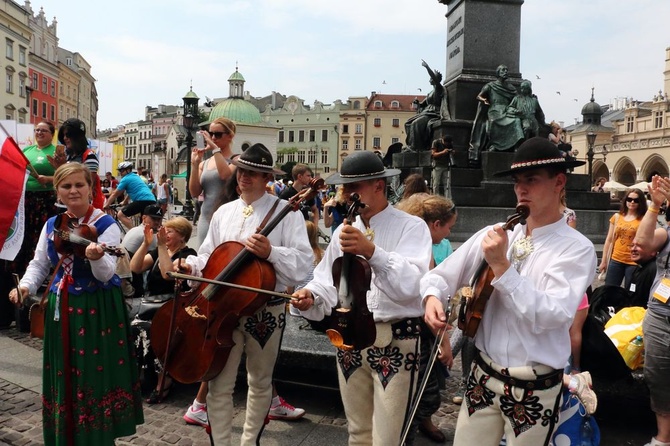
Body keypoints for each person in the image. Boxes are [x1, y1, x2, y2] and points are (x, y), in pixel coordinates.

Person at [422, 137, 596, 445]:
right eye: (517, 182)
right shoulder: (501, 233)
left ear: (559, 182)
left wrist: (503, 267)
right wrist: (432, 297)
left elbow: (552, 315)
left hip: (534, 385)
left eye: (531, 180)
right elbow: (440, 275)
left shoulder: (576, 248)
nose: (521, 189)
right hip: (483, 375)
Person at [291, 150, 433, 445]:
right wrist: (311, 295)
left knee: (387, 436)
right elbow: (326, 279)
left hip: (394, 338)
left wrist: (372, 252)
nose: (346, 194)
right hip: (349, 338)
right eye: (345, 187)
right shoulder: (347, 229)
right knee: (357, 433)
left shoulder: (411, 226)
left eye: (354, 187)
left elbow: (412, 285)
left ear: (378, 186)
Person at [178, 143, 313, 445]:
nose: (245, 177)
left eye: (253, 173)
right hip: (223, 306)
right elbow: (209, 255)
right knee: (218, 382)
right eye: (242, 171)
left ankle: (249, 441)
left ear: (267, 178)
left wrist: (272, 252)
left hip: (266, 307)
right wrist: (191, 268)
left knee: (260, 381)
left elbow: (304, 263)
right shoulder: (224, 212)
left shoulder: (286, 212)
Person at [8, 162, 144, 445]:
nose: (73, 191)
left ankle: (97, 436)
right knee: (64, 371)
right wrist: (25, 286)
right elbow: (39, 264)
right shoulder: (51, 225)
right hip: (62, 306)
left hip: (97, 308)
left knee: (94, 373)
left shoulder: (105, 225)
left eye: (79, 185)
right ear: (57, 190)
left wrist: (95, 257)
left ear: (90, 188)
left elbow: (107, 274)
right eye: (66, 186)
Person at [396, 192, 458, 444]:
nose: (449, 234)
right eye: (449, 227)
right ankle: (406, 434)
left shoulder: (415, 242)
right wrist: (444, 342)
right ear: (435, 224)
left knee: (422, 389)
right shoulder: (422, 252)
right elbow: (426, 309)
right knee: (425, 393)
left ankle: (419, 424)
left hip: (416, 330)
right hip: (416, 331)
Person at [128, 216, 196, 404]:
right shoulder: (161, 251)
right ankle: (140, 376)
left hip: (175, 307)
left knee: (153, 330)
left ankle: (163, 380)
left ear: (182, 236)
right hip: (152, 305)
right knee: (134, 326)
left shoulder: (189, 255)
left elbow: (169, 275)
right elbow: (135, 267)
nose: (164, 234)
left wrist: (159, 247)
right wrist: (146, 244)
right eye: (164, 231)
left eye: (169, 231)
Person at [0, 120, 58, 328]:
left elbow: (62, 175)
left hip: (44, 203)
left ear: (52, 134)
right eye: (37, 130)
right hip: (25, 203)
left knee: (38, 245)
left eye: (44, 130)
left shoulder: (55, 152)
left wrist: (48, 178)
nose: (39, 132)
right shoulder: (28, 150)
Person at [631, 175, 670, 446]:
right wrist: (654, 206)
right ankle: (663, 438)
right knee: (658, 376)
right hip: (660, 315)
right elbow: (642, 242)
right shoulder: (667, 231)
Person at [189, 117, 237, 245]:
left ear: (230, 136)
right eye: (210, 134)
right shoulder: (205, 163)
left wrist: (215, 149)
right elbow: (194, 192)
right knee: (204, 258)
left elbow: (225, 176)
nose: (213, 138)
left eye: (218, 134)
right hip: (206, 217)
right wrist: (195, 164)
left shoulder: (236, 159)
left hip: (228, 218)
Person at [468, 64, 524, 165]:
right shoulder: (490, 86)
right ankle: (495, 145)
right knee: (493, 121)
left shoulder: (511, 88)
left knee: (516, 121)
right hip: (494, 110)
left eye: (506, 70)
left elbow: (518, 99)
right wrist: (484, 100)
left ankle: (516, 146)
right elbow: (479, 96)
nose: (505, 71)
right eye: (503, 70)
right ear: (498, 73)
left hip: (507, 110)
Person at [50, 118, 106, 210]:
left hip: (82, 208)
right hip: (66, 204)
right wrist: (58, 167)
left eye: (68, 135)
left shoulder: (89, 156)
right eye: (63, 135)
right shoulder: (68, 155)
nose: (65, 138)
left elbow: (87, 184)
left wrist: (63, 167)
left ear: (77, 136)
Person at [599, 188, 647, 290]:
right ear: (625, 200)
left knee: (631, 292)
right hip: (616, 259)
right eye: (629, 199)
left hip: (633, 262)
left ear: (641, 202)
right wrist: (604, 261)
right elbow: (609, 240)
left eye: (636, 200)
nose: (632, 202)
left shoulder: (644, 219)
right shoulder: (617, 217)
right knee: (609, 290)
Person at [404, 59, 450, 152]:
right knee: (408, 123)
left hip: (434, 113)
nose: (430, 79)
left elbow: (434, 77)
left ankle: (416, 147)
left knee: (416, 124)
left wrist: (427, 67)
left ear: (434, 79)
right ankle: (411, 144)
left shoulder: (439, 89)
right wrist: (418, 103)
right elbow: (422, 104)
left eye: (431, 78)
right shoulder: (430, 93)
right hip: (426, 112)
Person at [121, 204, 164, 297]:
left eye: (159, 219)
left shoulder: (135, 229)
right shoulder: (148, 234)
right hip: (132, 279)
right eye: (153, 219)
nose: (157, 222)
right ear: (144, 218)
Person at [103, 161, 157, 230]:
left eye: (122, 170)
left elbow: (115, 194)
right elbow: (130, 192)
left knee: (120, 215)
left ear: (128, 170)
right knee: (144, 224)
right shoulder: (135, 176)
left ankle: (134, 233)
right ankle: (143, 236)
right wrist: (124, 202)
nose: (120, 173)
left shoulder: (125, 179)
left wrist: (106, 205)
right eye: (120, 171)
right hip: (151, 200)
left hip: (142, 200)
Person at [279, 163, 320, 227]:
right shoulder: (286, 193)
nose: (311, 178)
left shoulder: (307, 192)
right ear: (300, 177)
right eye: (308, 176)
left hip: (305, 229)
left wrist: (315, 226)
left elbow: (315, 209)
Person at [629, 237, 657, 308]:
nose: (633, 249)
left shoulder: (654, 269)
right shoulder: (640, 266)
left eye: (639, 246)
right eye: (632, 245)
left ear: (653, 252)